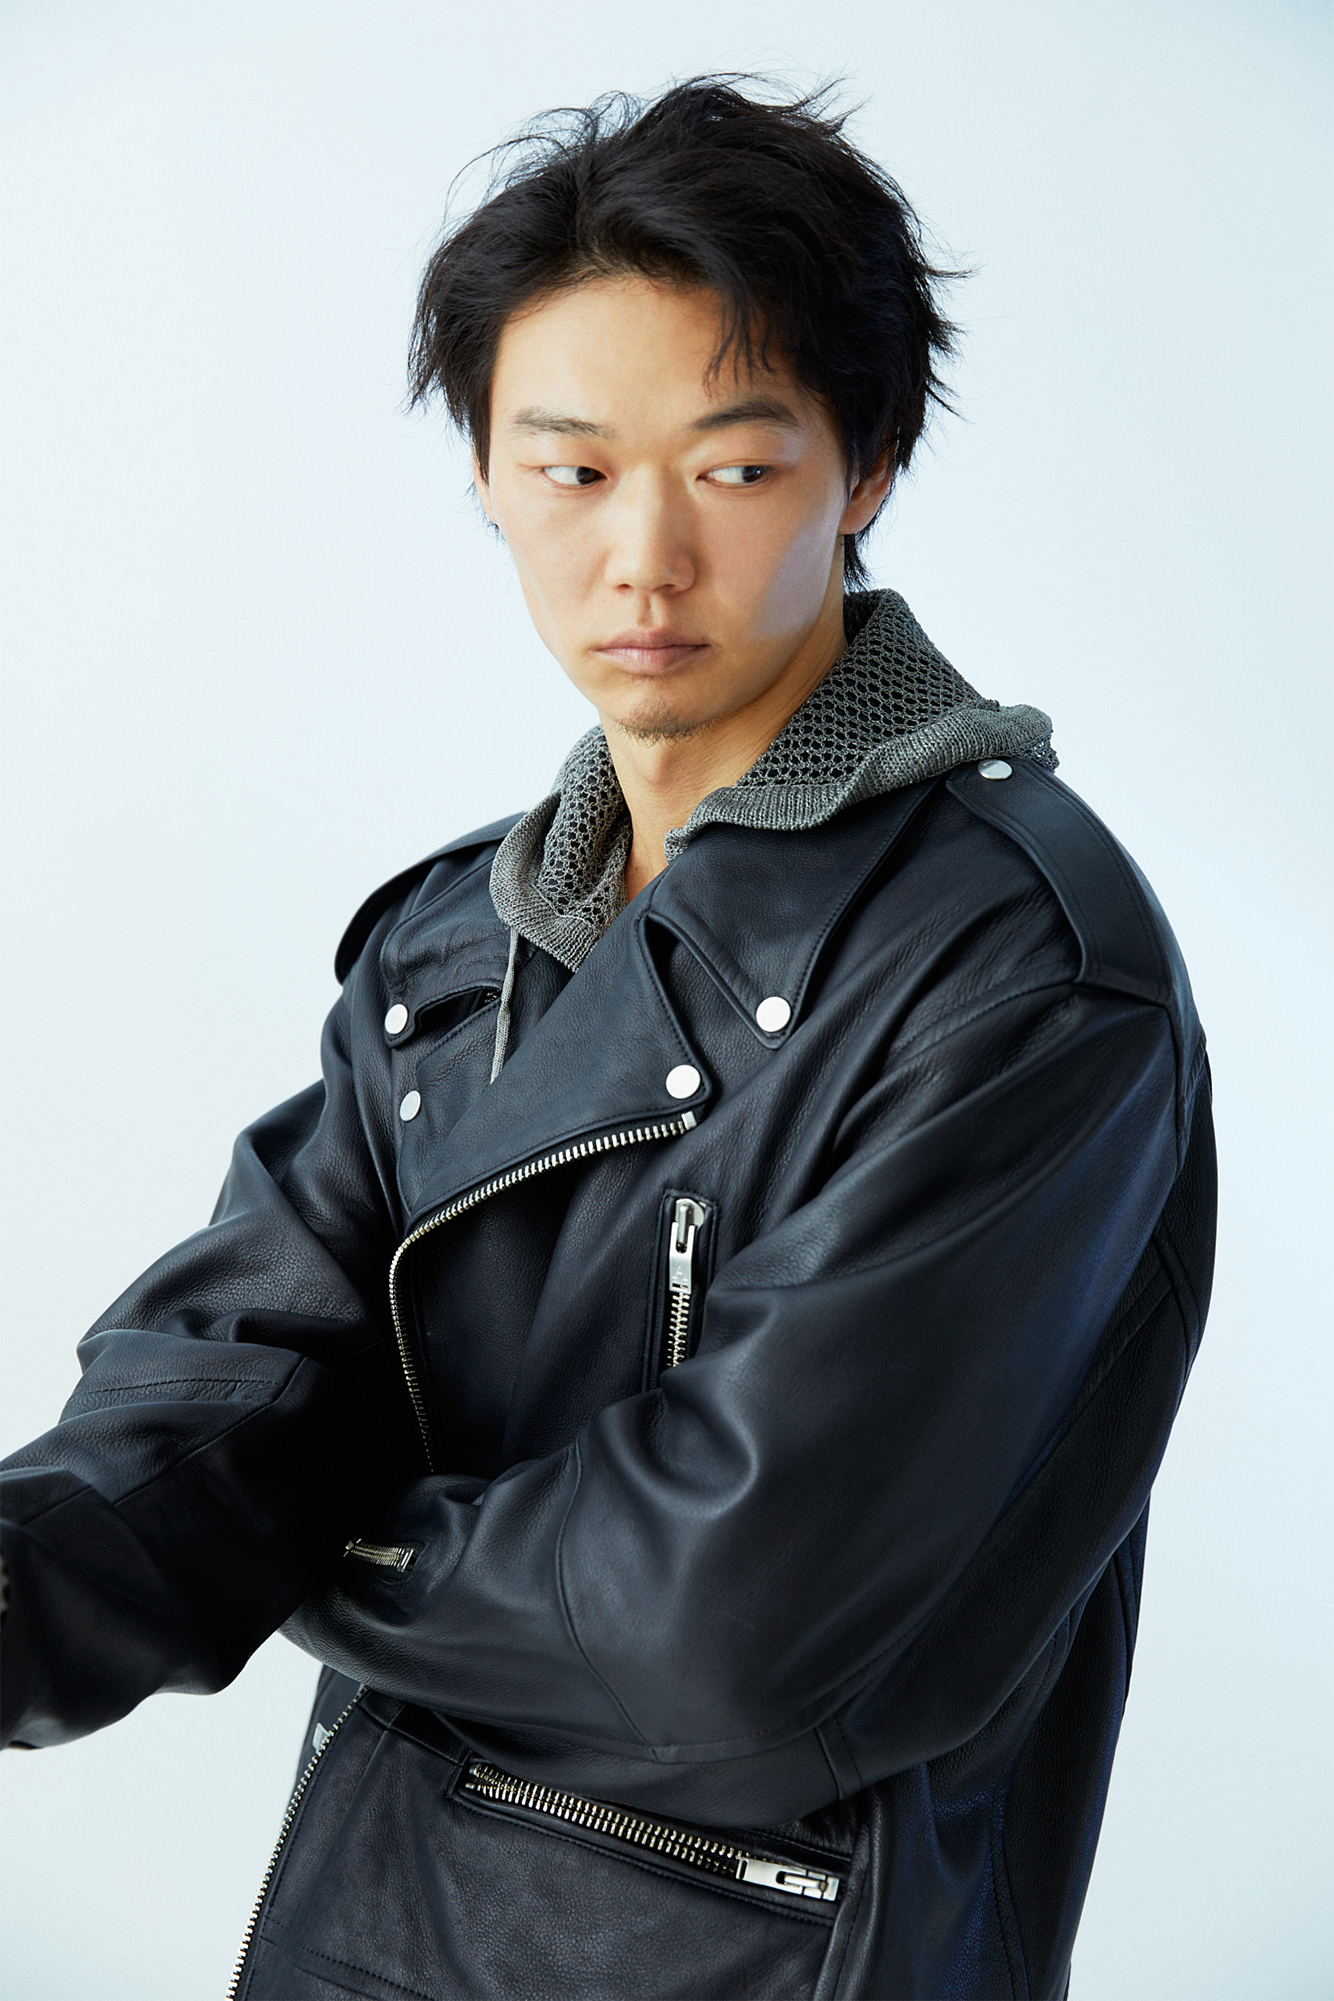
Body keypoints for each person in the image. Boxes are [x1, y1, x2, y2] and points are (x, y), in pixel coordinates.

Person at [0, 78, 1215, 2001]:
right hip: (371, 1925)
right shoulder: (453, 942)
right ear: (486, 476)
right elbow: (223, 1388)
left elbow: (727, 1628)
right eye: (570, 471)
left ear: (865, 465)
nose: (641, 559)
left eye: (731, 469)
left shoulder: (1022, 972)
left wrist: (306, 1541)